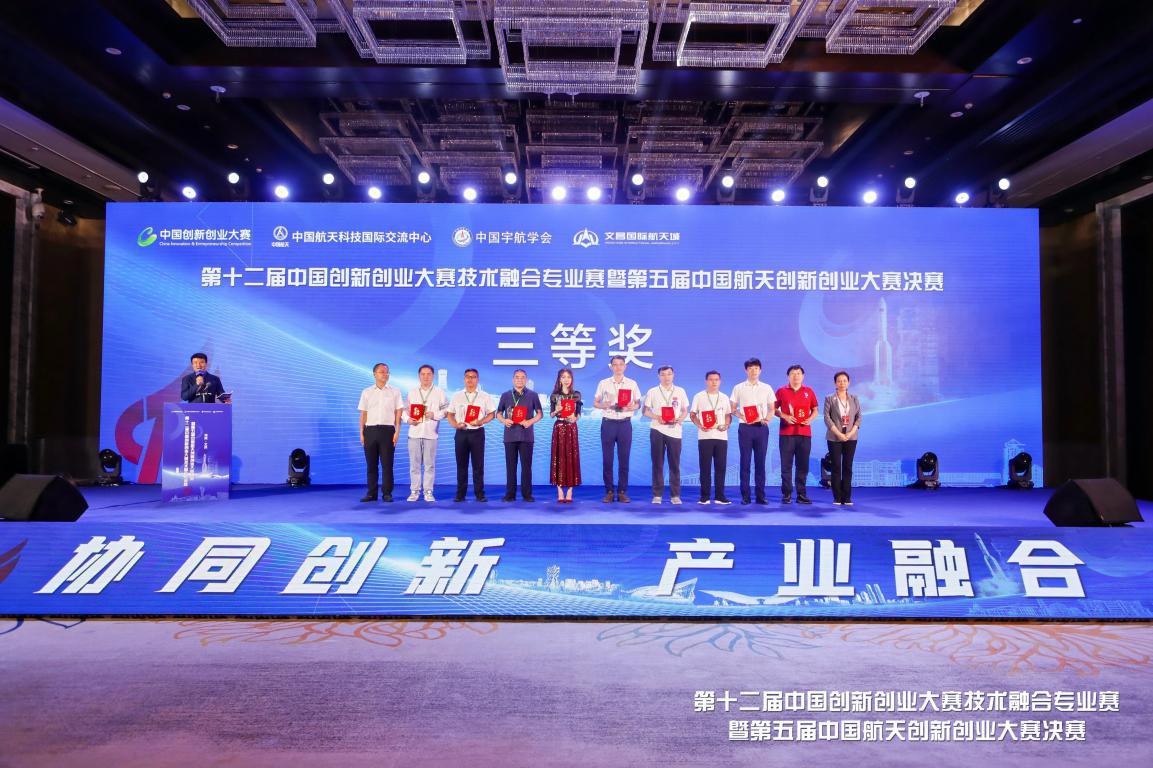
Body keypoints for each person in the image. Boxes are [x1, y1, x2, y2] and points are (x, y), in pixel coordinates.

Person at [593, 355, 642, 503]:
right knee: (607, 459)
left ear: (625, 366)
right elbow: (595, 403)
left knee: (624, 459)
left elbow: (638, 403)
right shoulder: (603, 383)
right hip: (608, 423)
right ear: (611, 367)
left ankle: (621, 492)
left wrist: (632, 406)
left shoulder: (632, 383)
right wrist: (604, 405)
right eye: (615, 364)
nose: (618, 367)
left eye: (621, 364)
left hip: (625, 424)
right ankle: (609, 491)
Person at [729, 357, 776, 505]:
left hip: (761, 428)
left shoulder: (767, 388)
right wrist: (742, 416)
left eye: (756, 368)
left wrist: (767, 420)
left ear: (760, 370)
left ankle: (761, 496)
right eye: (750, 368)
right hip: (745, 428)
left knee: (760, 463)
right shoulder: (738, 388)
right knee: (745, 462)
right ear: (746, 370)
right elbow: (732, 408)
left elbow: (772, 409)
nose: (753, 371)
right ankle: (745, 496)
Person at [446, 368, 495, 502]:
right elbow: (450, 414)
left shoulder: (485, 395)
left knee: (478, 465)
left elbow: (492, 414)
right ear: (464, 379)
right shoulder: (457, 396)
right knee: (461, 465)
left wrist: (481, 421)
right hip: (461, 433)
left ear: (477, 379)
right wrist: (456, 425)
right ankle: (460, 494)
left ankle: (479, 494)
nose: (470, 379)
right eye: (467, 377)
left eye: (473, 377)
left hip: (477, 433)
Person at [357, 363, 403, 502]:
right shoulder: (367, 392)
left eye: (387, 372)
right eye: (381, 372)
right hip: (370, 430)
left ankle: (387, 493)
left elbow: (398, 413)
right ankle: (371, 493)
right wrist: (361, 432)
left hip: (388, 431)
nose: (385, 374)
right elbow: (364, 414)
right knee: (371, 464)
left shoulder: (395, 391)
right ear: (374, 374)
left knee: (387, 464)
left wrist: (397, 431)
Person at [642, 365, 689, 504]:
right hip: (657, 430)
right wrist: (657, 417)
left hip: (675, 431)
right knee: (657, 463)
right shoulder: (652, 391)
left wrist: (680, 419)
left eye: (669, 374)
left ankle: (675, 495)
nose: (666, 377)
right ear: (659, 376)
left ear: (673, 375)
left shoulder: (680, 391)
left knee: (675, 464)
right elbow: (645, 411)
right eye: (663, 374)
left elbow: (685, 410)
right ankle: (657, 494)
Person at [496, 369, 543, 502]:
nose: (520, 380)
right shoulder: (505, 395)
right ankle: (510, 494)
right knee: (510, 467)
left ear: (526, 380)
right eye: (517, 377)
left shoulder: (533, 395)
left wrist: (529, 422)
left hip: (526, 436)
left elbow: (540, 414)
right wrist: (504, 420)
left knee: (526, 467)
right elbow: (498, 413)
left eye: (522, 377)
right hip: (510, 436)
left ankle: (527, 494)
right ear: (513, 379)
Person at [404, 364, 449, 502]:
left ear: (433, 376)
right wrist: (408, 420)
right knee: (414, 465)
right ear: (419, 376)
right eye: (423, 374)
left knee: (430, 465)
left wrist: (434, 414)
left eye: (429, 374)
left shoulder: (439, 392)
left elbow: (447, 411)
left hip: (431, 433)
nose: (426, 377)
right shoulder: (412, 392)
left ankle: (428, 491)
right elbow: (404, 410)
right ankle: (414, 491)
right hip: (414, 433)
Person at [776, 364, 819, 505]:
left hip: (804, 434)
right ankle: (787, 494)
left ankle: (801, 494)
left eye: (798, 373)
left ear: (803, 376)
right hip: (786, 433)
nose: (796, 376)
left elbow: (815, 409)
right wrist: (785, 416)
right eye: (793, 373)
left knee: (803, 465)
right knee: (786, 465)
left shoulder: (809, 391)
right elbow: (774, 409)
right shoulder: (781, 391)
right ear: (788, 376)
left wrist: (810, 419)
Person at [690, 370, 733, 505]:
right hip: (705, 436)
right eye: (711, 379)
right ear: (706, 381)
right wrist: (699, 425)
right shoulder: (699, 396)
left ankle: (720, 496)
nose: (714, 382)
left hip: (721, 437)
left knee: (721, 467)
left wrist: (726, 425)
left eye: (716, 380)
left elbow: (728, 415)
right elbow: (692, 414)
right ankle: (705, 496)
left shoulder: (724, 397)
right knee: (705, 467)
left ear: (720, 381)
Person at [823, 371, 862, 506]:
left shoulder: (854, 398)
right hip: (834, 436)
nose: (842, 383)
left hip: (851, 436)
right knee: (836, 466)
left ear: (848, 383)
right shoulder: (829, 398)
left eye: (844, 380)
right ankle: (837, 497)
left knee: (847, 466)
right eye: (839, 381)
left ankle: (847, 497)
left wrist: (851, 433)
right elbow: (827, 418)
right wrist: (839, 434)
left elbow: (859, 417)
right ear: (835, 383)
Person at [548, 368, 582, 503]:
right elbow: (551, 415)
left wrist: (575, 418)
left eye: (568, 377)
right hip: (559, 427)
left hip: (571, 428)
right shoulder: (555, 395)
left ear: (571, 379)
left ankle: (570, 490)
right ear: (559, 379)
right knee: (558, 456)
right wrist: (557, 410)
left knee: (572, 456)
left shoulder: (576, 395)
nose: (566, 379)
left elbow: (578, 413)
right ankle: (559, 490)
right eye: (563, 377)